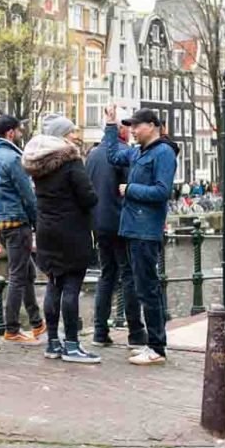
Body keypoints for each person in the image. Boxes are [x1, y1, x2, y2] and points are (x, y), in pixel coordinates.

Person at [104, 106, 179, 366]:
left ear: (152, 125)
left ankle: (157, 346)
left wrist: (130, 189)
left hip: (146, 231)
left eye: (136, 126)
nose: (133, 130)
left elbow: (162, 191)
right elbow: (113, 155)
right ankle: (152, 344)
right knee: (143, 287)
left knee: (148, 289)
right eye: (131, 126)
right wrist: (111, 125)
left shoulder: (164, 153)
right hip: (134, 229)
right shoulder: (139, 153)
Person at [23, 114, 99, 363]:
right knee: (71, 286)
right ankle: (73, 346)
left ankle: (53, 343)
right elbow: (88, 196)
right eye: (71, 133)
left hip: (46, 231)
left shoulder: (39, 163)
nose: (75, 136)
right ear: (61, 137)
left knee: (53, 284)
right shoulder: (71, 162)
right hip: (71, 230)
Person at [0, 114, 44, 344]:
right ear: (10, 133)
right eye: (18, 131)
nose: (20, 134)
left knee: (26, 271)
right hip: (18, 223)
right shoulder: (14, 159)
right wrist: (38, 224)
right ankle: (12, 328)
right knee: (18, 275)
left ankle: (37, 322)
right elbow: (27, 196)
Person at [87, 122, 144, 348]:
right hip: (121, 223)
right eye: (127, 126)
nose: (131, 129)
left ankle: (100, 331)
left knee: (106, 274)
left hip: (99, 224)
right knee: (129, 275)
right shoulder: (123, 153)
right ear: (119, 130)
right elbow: (130, 188)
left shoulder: (91, 155)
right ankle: (136, 332)